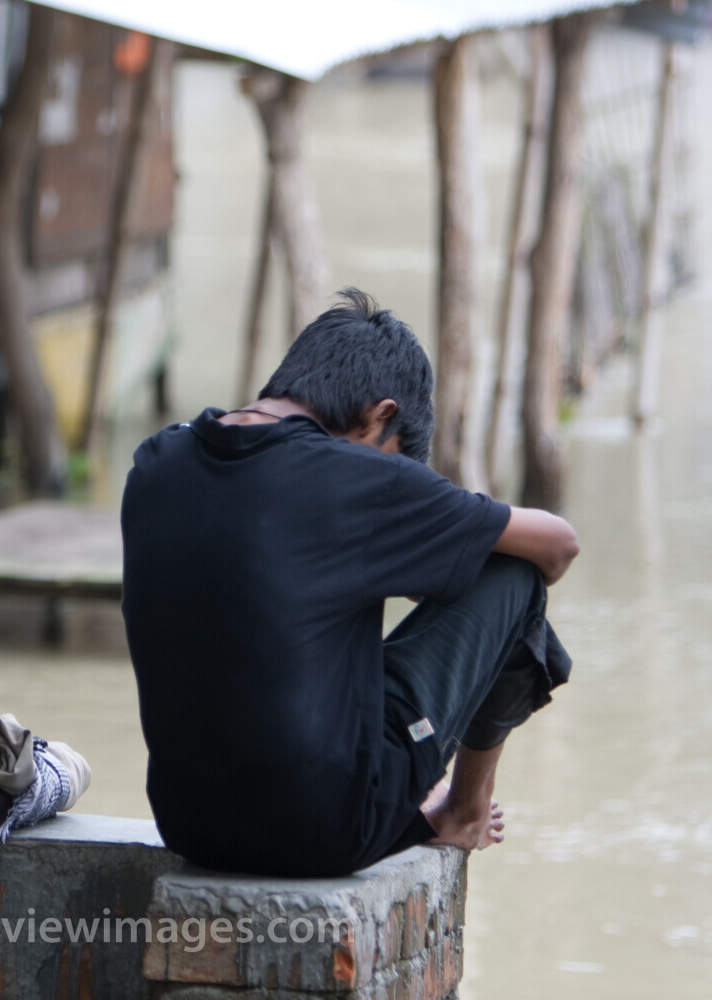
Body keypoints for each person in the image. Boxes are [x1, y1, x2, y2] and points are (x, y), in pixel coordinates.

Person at [121, 289, 579, 878]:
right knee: (513, 571)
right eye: (396, 456)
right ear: (380, 415)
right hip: (326, 829)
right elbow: (558, 544)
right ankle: (464, 812)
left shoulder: (156, 461)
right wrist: (448, 523)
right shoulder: (362, 478)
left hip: (187, 824)